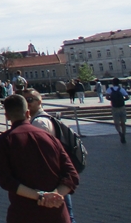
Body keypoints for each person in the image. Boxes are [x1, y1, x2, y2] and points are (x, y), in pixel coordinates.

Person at [0, 94, 79, 223]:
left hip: (23, 214)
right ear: (28, 113)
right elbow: (72, 175)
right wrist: (54, 195)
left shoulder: (3, 141)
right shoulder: (49, 137)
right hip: (57, 214)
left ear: (7, 116)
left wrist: (40, 196)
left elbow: (6, 181)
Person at [23, 89, 79, 223]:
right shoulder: (41, 119)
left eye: (30, 99)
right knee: (66, 213)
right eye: (24, 100)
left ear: (39, 101)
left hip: (51, 175)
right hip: (57, 173)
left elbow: (40, 153)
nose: (27, 103)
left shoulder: (39, 123)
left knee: (63, 213)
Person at [106, 77, 130, 143]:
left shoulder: (110, 89)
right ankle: (124, 134)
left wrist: (112, 100)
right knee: (123, 122)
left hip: (114, 107)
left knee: (116, 123)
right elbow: (127, 97)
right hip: (122, 107)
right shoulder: (121, 89)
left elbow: (107, 97)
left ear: (113, 83)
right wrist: (122, 100)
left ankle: (120, 133)